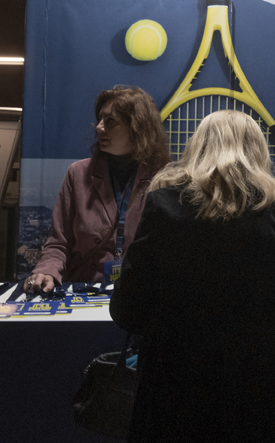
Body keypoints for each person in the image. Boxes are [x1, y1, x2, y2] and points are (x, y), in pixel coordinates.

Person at [110, 109, 275, 443]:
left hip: (170, 393)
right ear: (259, 152)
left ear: (197, 147)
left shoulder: (163, 206)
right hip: (253, 398)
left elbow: (127, 310)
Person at [24, 85, 169, 292]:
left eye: (110, 121)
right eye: (100, 120)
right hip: (85, 288)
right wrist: (47, 271)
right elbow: (58, 243)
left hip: (142, 294)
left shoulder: (165, 179)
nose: (99, 127)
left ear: (137, 127)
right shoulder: (78, 173)